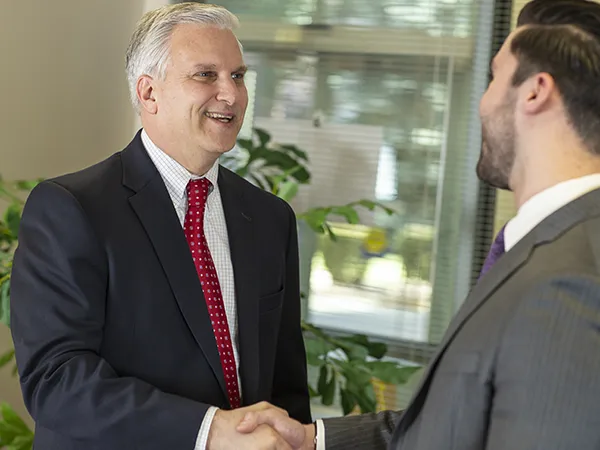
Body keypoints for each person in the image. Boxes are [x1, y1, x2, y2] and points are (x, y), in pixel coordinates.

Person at [237, 0, 600, 448]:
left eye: (494, 76)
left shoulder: (572, 280)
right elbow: (455, 421)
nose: (483, 103)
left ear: (535, 91)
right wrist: (314, 440)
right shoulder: (549, 247)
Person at [9, 3, 311, 449]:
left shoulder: (270, 218)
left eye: (239, 75)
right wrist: (209, 431)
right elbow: (56, 381)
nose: (231, 94)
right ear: (149, 93)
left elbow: (285, 388)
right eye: (206, 75)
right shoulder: (71, 208)